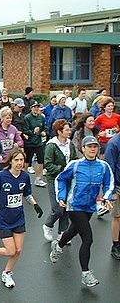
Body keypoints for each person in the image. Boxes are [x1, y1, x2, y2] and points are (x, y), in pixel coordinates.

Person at [50, 136, 114, 287]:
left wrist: (106, 197)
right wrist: (61, 196)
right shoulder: (75, 165)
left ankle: (58, 245)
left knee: (73, 231)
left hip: (90, 206)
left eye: (95, 147)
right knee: (88, 238)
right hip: (75, 205)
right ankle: (86, 273)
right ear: (83, 149)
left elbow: (108, 183)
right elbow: (60, 179)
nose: (93, 149)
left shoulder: (103, 166)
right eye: (89, 146)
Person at [0, 148, 43, 288]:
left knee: (18, 250)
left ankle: (7, 273)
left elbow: (27, 194)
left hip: (18, 217)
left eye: (21, 160)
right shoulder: (1, 176)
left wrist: (35, 205)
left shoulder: (24, 177)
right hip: (3, 217)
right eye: (16, 160)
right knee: (10, 250)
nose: (19, 163)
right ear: (10, 161)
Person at [43, 119, 78, 242]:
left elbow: (74, 159)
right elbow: (47, 164)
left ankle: (63, 232)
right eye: (67, 130)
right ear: (59, 131)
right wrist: (63, 169)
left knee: (66, 206)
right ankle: (48, 225)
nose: (69, 132)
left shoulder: (70, 144)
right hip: (55, 180)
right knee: (58, 208)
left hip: (68, 180)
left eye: (69, 129)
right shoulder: (51, 145)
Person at [23, 101, 47, 187]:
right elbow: (25, 130)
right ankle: (24, 179)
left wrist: (43, 132)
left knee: (41, 160)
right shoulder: (27, 118)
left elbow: (44, 128)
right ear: (31, 108)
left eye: (37, 107)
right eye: (34, 107)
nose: (36, 109)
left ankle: (38, 179)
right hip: (29, 143)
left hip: (39, 142)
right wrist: (33, 131)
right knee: (27, 161)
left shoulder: (41, 117)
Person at [104, 131, 120, 260]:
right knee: (117, 216)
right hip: (118, 185)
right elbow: (109, 168)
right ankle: (115, 245)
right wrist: (112, 191)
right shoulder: (114, 143)